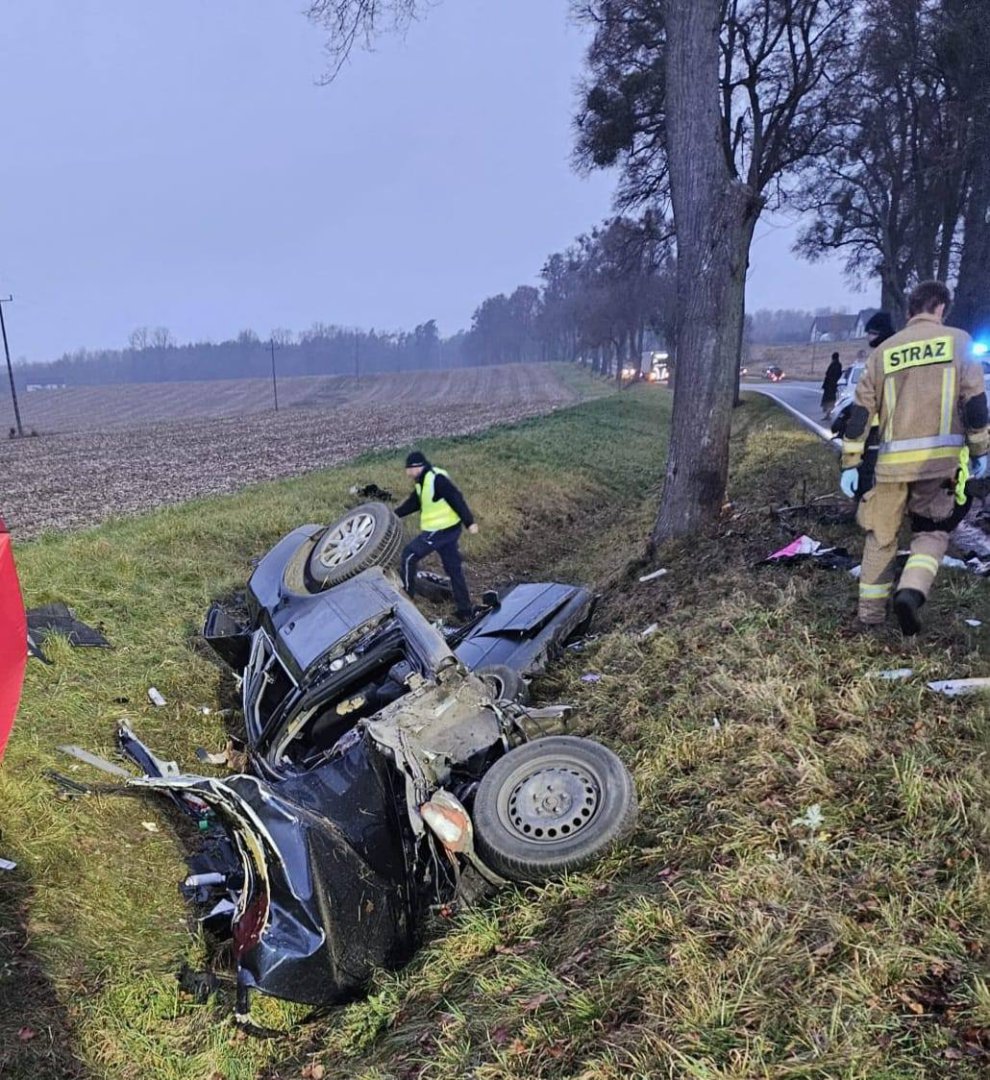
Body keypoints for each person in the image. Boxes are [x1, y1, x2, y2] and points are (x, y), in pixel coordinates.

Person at [840, 281, 989, 635]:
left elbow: (860, 414)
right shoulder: (960, 343)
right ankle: (911, 590)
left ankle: (871, 617)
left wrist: (850, 462)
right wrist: (981, 449)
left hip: (891, 466)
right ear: (941, 308)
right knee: (932, 532)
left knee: (881, 536)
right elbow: (975, 406)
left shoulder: (884, 351)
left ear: (910, 310)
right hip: (940, 466)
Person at [395, 450, 479, 622]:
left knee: (409, 555)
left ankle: (407, 600)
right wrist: (394, 515)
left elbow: (456, 498)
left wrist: (469, 522)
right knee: (454, 569)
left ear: (418, 467)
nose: (407, 472)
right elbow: (414, 503)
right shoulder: (422, 482)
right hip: (446, 531)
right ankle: (465, 611)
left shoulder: (436, 479)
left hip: (441, 531)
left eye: (409, 468)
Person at [831, 311, 896, 499]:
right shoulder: (888, 353)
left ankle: (864, 507)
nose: (868, 337)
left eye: (871, 333)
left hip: (878, 428)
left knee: (868, 470)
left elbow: (866, 401)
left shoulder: (881, 357)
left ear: (880, 333)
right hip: (887, 427)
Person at [821, 351, 843, 418]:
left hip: (829, 385)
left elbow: (828, 374)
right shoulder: (839, 365)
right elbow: (839, 374)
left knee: (828, 400)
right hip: (833, 385)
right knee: (831, 400)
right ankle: (828, 413)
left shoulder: (833, 365)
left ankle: (828, 414)